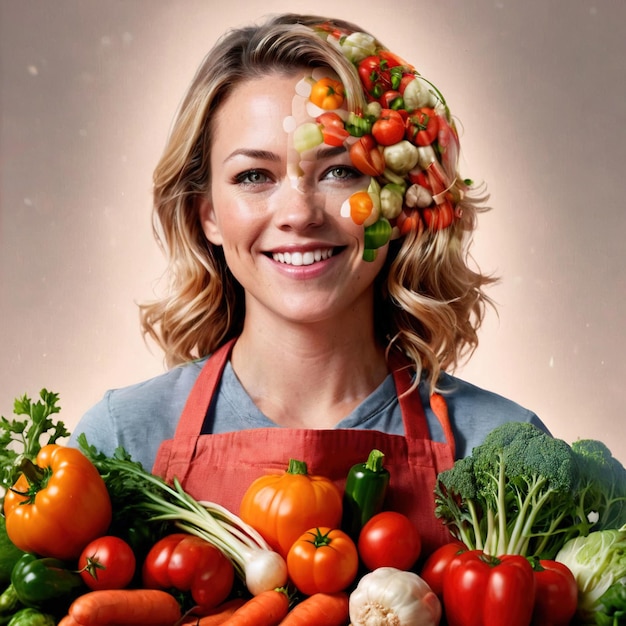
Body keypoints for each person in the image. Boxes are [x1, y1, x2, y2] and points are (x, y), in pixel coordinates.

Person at [69, 13, 547, 556]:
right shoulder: (121, 440)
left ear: (401, 202)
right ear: (207, 215)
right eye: (255, 176)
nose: (298, 213)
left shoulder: (501, 453)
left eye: (341, 171)